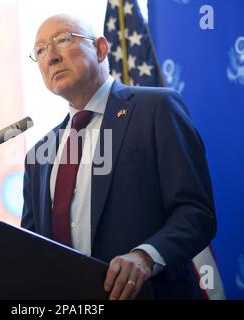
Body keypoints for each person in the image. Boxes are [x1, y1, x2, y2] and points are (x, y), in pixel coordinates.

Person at [21, 14, 216, 300]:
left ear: (100, 49)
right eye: (39, 50)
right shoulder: (39, 154)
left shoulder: (156, 109)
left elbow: (196, 212)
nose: (50, 56)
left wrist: (146, 257)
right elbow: (32, 247)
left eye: (62, 40)